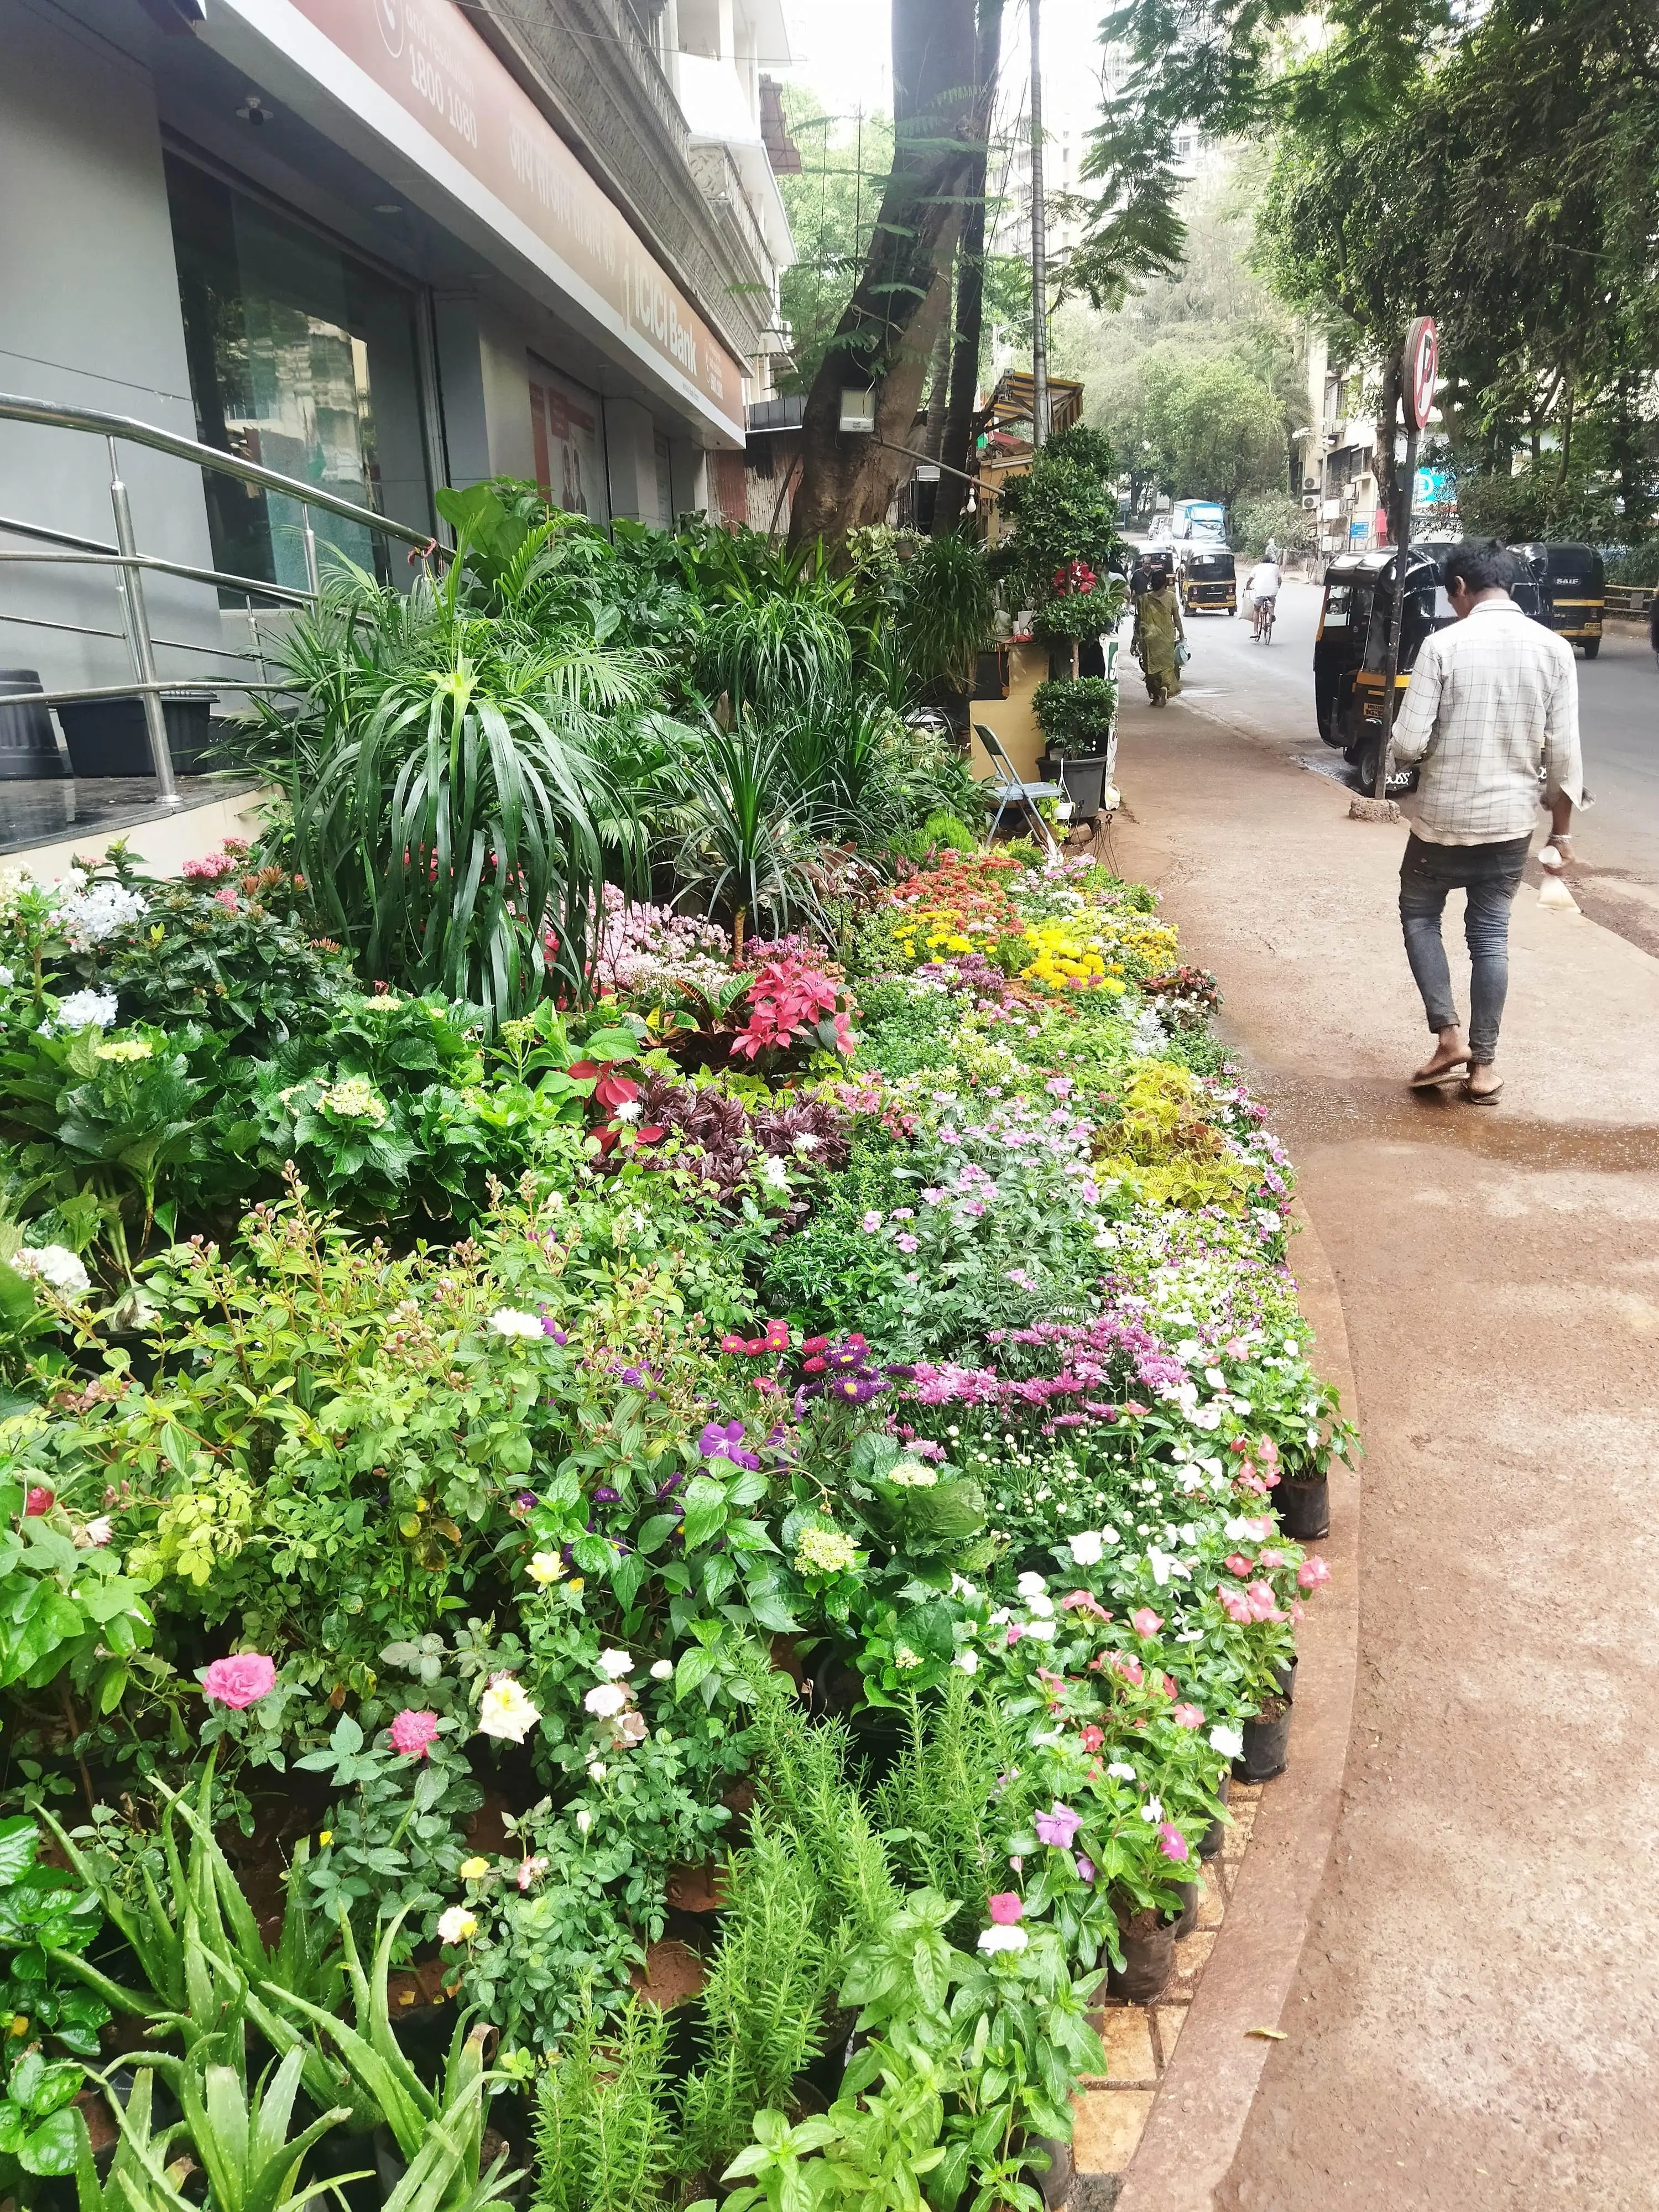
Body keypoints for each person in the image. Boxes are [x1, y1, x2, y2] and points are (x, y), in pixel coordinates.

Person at [1390, 539, 1582, 1105]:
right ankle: (1485, 1068)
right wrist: (1562, 836)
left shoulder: (1442, 646)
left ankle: (1448, 1038)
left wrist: (1424, 758)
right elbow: (1565, 759)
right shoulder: (1554, 650)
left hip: (1441, 824)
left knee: (1421, 915)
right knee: (1491, 936)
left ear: (1460, 590)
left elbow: (1405, 743)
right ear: (1511, 587)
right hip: (1510, 826)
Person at [1136, 571, 1185, 705]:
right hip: (1167, 638)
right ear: (1165, 583)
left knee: (1151, 668)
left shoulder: (1143, 599)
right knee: (1167, 668)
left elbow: (1139, 621)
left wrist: (1135, 640)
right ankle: (1165, 687)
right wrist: (1182, 634)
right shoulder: (1171, 597)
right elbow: (1177, 618)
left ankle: (1156, 694)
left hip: (1150, 638)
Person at [1246, 553, 1281, 639]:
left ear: (1262, 561)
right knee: (1273, 599)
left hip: (1260, 591)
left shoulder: (1257, 567)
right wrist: (1278, 587)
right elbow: (1280, 580)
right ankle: (1272, 612)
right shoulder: (1276, 567)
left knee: (1256, 609)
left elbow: (1250, 579)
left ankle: (1255, 632)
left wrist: (1248, 586)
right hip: (1273, 591)